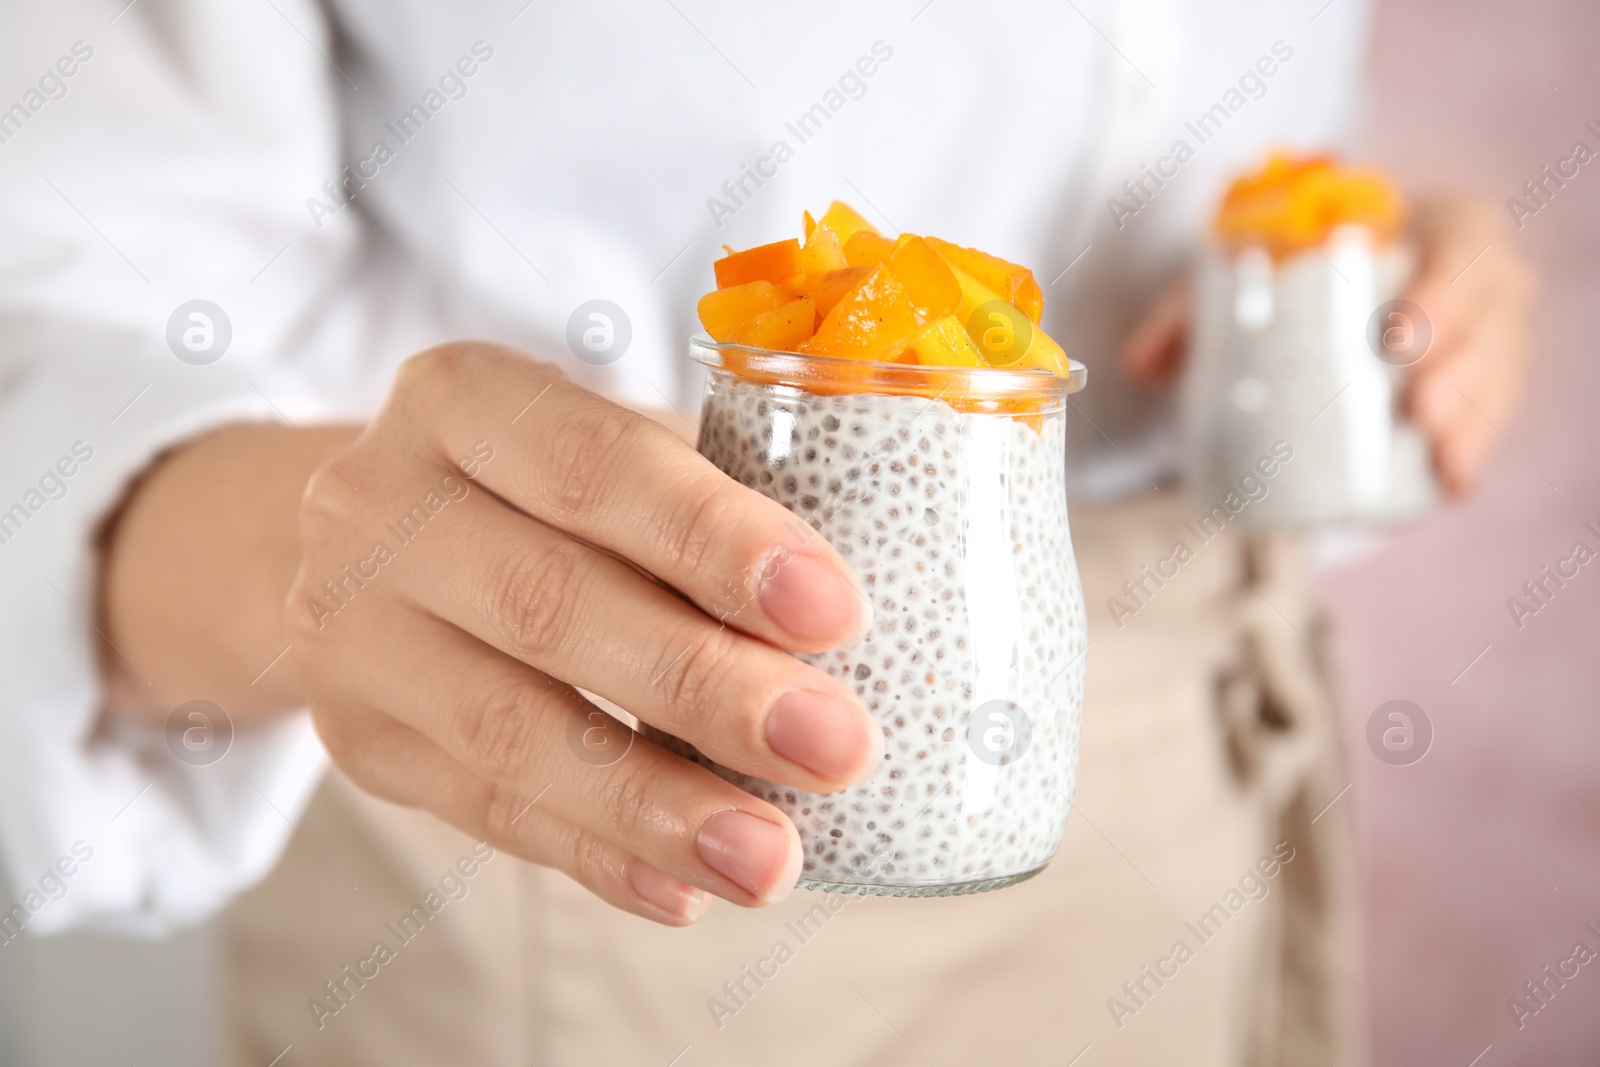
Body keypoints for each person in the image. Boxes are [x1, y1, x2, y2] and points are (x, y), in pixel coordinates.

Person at [0, 1, 1531, 1064]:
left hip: (1189, 771)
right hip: (572, 818)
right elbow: (55, 343)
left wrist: (1352, 286)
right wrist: (321, 552)